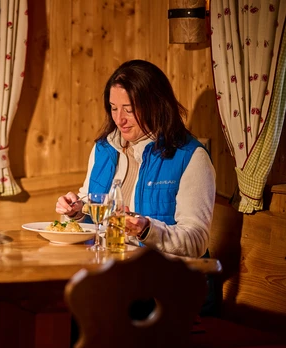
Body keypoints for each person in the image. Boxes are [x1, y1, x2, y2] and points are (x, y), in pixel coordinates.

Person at [56, 59, 215, 259]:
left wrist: (147, 230)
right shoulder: (103, 149)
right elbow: (92, 220)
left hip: (166, 281)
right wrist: (76, 213)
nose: (119, 119)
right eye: (114, 108)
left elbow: (196, 242)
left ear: (155, 106)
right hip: (111, 271)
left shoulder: (192, 157)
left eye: (129, 110)